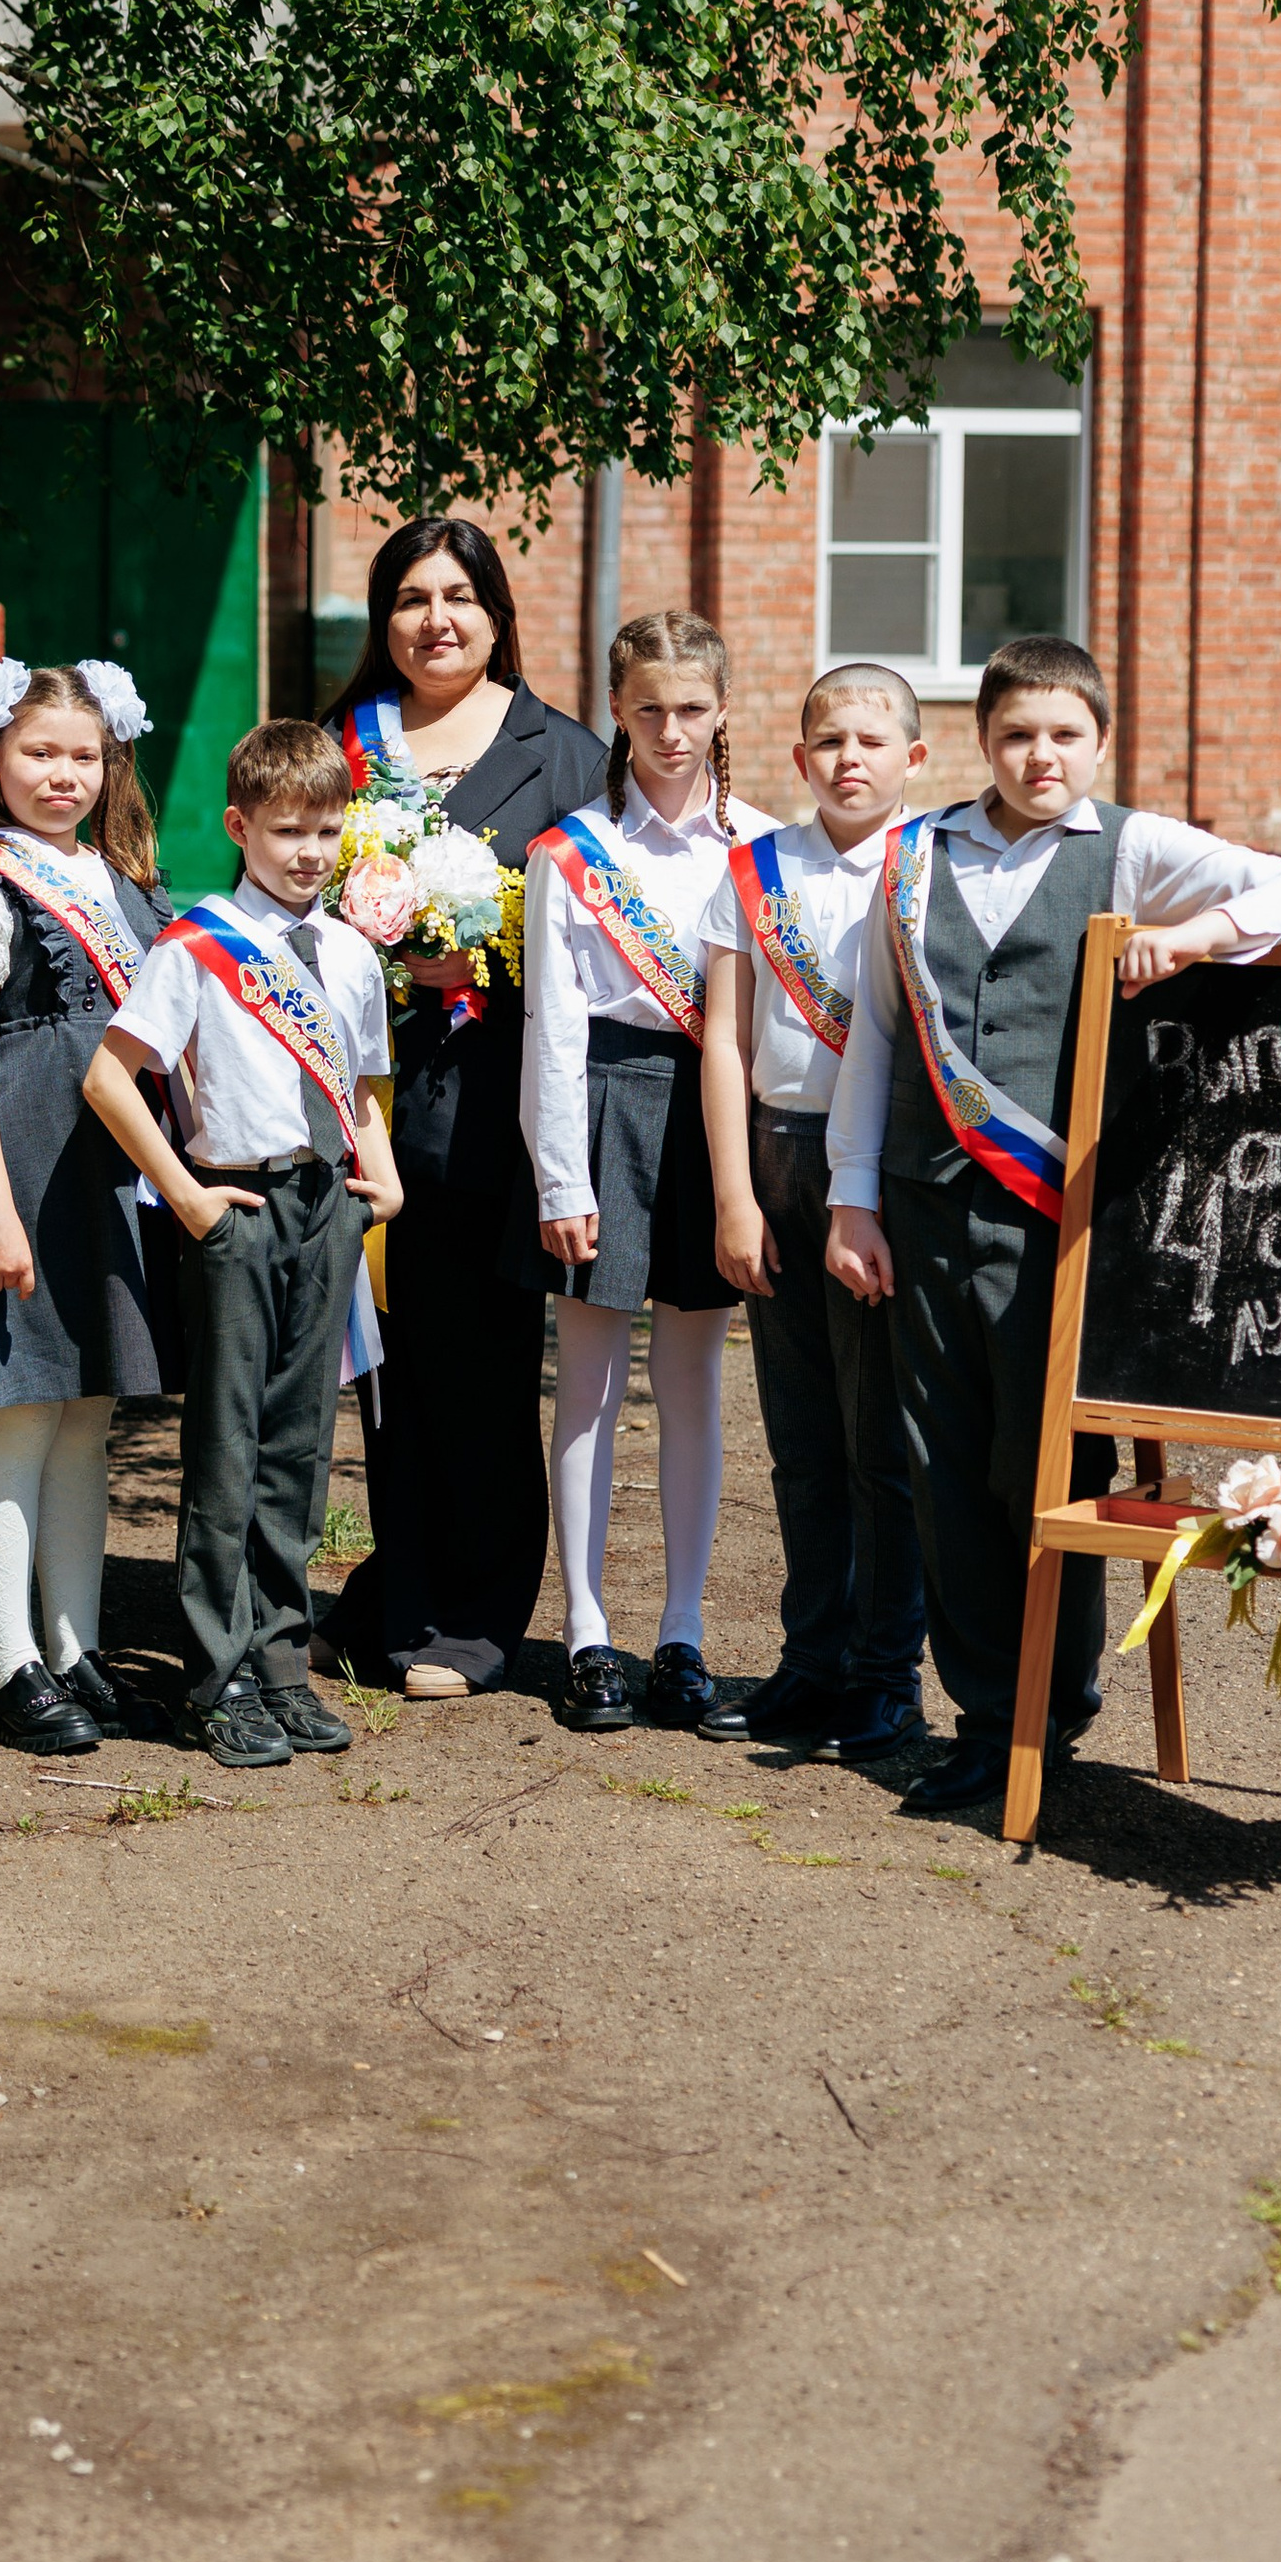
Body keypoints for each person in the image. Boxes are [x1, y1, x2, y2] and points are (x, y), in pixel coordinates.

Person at [824, 634, 1281, 1819]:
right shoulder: (911, 856)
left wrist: (1196, 936)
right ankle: (985, 1720)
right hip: (924, 1206)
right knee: (942, 1473)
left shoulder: (1133, 849)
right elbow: (879, 1042)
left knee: (1043, 1470)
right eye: (1015, 735)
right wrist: (853, 1198)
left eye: (1063, 735)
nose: (1038, 755)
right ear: (980, 744)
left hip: (1059, 1223)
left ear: (1100, 743)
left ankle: (1053, 1718)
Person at [317, 518, 608, 1698]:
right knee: (390, 1368)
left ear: (496, 613)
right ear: (383, 619)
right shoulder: (341, 744)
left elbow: (601, 944)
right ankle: (401, 1595)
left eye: (458, 596)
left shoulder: (566, 754)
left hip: (498, 1104)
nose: (435, 619)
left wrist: (477, 965)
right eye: (409, 598)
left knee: (485, 1365)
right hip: (358, 1098)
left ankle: (478, 1620)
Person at [82, 721, 401, 1769]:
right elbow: (109, 1077)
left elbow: (354, 1087)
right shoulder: (199, 944)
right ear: (239, 827)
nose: (307, 852)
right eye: (285, 832)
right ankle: (212, 1681)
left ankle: (277, 1663)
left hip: (327, 1210)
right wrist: (185, 1196)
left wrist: (380, 1175)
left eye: (324, 830)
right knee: (227, 1451)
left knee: (301, 1449)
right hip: (238, 1213)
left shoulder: (348, 950)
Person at [509, 610, 774, 1735]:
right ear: (617, 710)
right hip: (605, 1107)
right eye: (650, 709)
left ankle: (681, 1633)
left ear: (723, 713)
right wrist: (560, 1179)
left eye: (694, 709)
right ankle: (584, 1632)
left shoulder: (761, 846)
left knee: (696, 1382)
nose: (672, 732)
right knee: (587, 1380)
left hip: (714, 1114)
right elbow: (553, 1030)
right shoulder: (573, 851)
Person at [0, 654, 174, 1758]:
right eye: (38, 754)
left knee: (86, 1415)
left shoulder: (125, 883)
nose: (62, 775)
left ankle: (74, 1647)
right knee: (18, 1412)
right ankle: (7, 1660)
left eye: (82, 755)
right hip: (22, 1170)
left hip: (106, 1175)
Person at [699, 663, 932, 1763]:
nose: (848, 759)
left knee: (879, 1437)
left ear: (913, 762)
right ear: (797, 760)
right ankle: (813, 1659)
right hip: (778, 1157)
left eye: (871, 742)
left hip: (883, 1173)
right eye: (827, 741)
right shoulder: (751, 871)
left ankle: (889, 1678)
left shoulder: (931, 866)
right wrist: (736, 1196)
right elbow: (725, 1042)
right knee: (799, 1436)